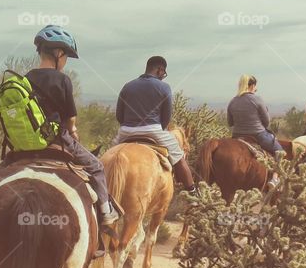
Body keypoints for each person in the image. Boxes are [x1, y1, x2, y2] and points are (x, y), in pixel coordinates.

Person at [24, 25, 118, 225]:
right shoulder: (62, 80)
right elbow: (70, 122)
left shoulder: (25, 79)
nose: (65, 60)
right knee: (97, 167)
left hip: (25, 144)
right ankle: (105, 212)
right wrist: (74, 133)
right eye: (66, 55)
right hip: (57, 140)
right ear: (58, 53)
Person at [112, 56, 196, 193]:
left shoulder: (127, 86)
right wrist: (157, 128)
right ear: (159, 70)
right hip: (153, 131)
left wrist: (130, 127)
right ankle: (192, 192)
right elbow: (166, 118)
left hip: (126, 131)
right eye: (164, 73)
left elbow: (119, 115)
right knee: (179, 157)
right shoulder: (164, 87)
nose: (163, 76)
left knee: (108, 156)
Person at [226, 74, 286, 162]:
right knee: (280, 152)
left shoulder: (232, 101)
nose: (256, 89)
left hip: (237, 135)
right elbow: (266, 122)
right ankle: (276, 170)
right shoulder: (257, 99)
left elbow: (230, 123)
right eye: (255, 86)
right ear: (252, 86)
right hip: (258, 134)